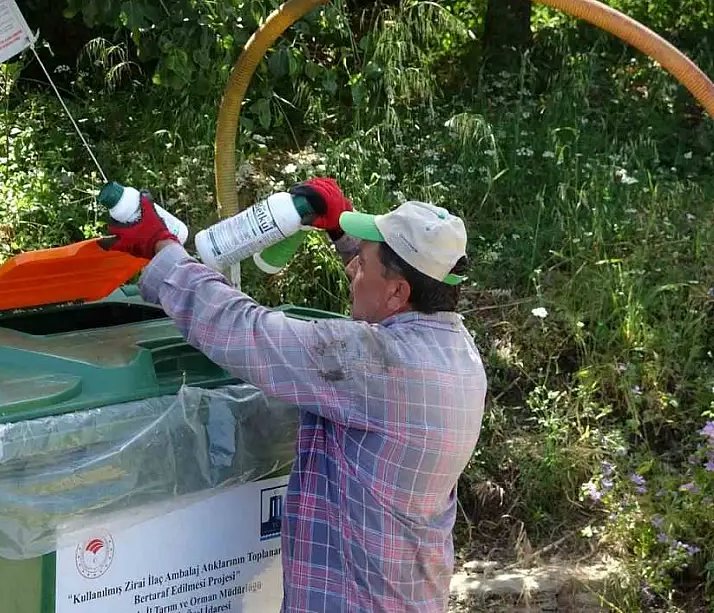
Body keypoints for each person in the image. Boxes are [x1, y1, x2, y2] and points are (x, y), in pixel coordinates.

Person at [104, 179, 488, 613]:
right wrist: (342, 233)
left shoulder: (378, 366)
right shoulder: (455, 350)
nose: (350, 269)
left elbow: (245, 330)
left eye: (360, 262)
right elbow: (390, 286)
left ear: (399, 292)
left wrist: (161, 248)